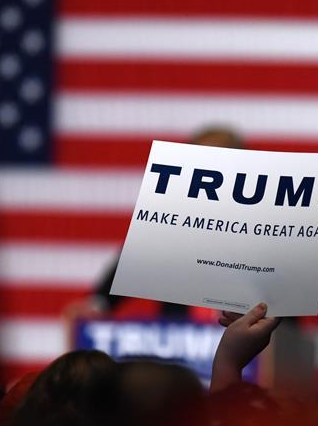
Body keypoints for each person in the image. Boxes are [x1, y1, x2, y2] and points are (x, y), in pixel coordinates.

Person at [70, 126, 244, 319]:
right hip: (178, 330)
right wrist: (96, 305)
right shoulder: (168, 224)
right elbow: (130, 269)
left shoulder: (259, 230)